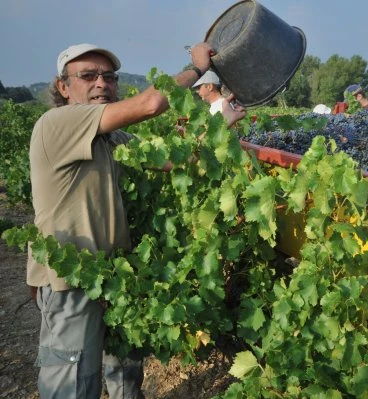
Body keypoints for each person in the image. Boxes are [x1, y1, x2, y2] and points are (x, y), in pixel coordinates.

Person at [28, 42, 246, 399]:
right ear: (63, 87)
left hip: (115, 280)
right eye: (88, 76)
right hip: (72, 282)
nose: (102, 83)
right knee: (73, 387)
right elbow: (151, 104)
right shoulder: (57, 123)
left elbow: (175, 160)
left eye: (109, 77)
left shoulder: (112, 139)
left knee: (125, 379)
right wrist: (196, 69)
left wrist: (221, 123)